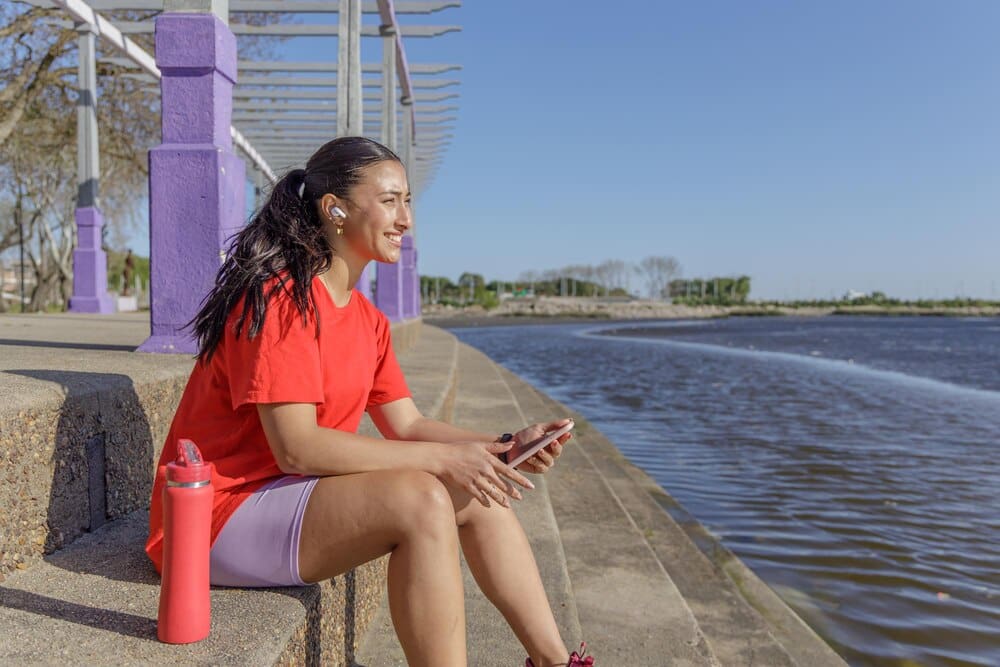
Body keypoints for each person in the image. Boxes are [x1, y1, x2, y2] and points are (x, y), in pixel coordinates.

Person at [145, 137, 593, 667]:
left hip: (289, 497)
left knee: (479, 489)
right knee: (421, 498)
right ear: (334, 209)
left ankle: (555, 661)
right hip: (216, 519)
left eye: (408, 201)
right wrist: (447, 460)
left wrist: (502, 445)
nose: (406, 218)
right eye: (389, 200)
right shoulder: (280, 299)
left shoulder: (368, 320)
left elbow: (407, 425)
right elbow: (297, 448)